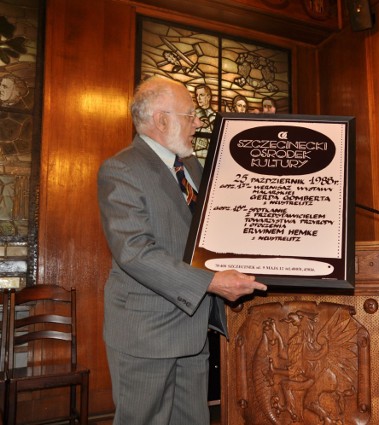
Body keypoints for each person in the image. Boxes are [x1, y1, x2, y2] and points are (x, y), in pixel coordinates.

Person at [98, 76, 267, 425]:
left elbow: (212, 229)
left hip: (192, 327)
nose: (199, 122)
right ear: (161, 120)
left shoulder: (191, 166)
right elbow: (134, 252)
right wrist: (209, 282)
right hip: (147, 332)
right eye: (190, 115)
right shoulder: (122, 168)